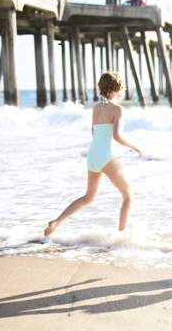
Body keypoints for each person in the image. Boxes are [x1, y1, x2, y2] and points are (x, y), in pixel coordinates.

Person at [43, 72, 142, 237]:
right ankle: (121, 236)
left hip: (93, 156)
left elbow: (93, 132)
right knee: (129, 195)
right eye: (123, 89)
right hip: (107, 156)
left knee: (88, 198)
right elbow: (117, 136)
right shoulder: (118, 109)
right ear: (118, 89)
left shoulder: (96, 108)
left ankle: (57, 222)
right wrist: (134, 146)